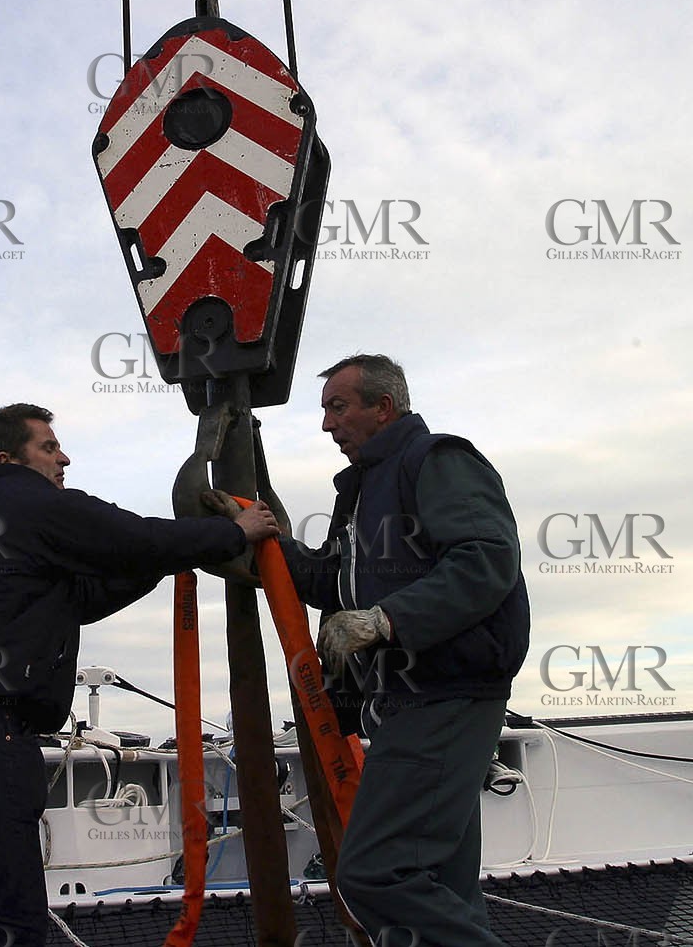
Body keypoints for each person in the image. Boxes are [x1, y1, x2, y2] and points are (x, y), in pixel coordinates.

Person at [0, 402, 278, 947]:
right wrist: (234, 532)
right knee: (12, 927)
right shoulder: (26, 501)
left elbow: (83, 595)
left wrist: (169, 558)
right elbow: (133, 539)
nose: (65, 458)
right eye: (49, 447)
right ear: (8, 459)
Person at [279, 355, 530, 946]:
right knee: (439, 884)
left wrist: (384, 619)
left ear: (383, 408)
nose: (326, 426)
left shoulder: (436, 461)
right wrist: (255, 544)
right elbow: (330, 583)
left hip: (442, 698)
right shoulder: (363, 494)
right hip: (404, 705)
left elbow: (485, 559)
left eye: (337, 408)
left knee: (375, 874)